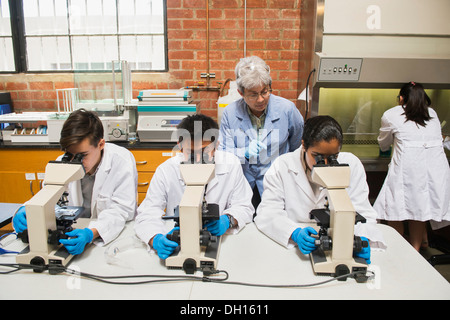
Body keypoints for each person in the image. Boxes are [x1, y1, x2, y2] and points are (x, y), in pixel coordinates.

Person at [254, 115, 386, 263]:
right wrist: (294, 233)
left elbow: (363, 212)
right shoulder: (282, 166)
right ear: (304, 145)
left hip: (340, 243)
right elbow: (268, 213)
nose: (324, 163)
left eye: (333, 156)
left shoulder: (351, 165)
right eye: (317, 156)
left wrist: (361, 239)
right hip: (294, 251)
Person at [12, 109, 138, 255]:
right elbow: (50, 200)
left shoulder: (121, 161)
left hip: (110, 238)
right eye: (69, 155)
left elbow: (121, 211)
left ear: (101, 144)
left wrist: (91, 234)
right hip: (73, 234)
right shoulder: (60, 164)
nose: (74, 162)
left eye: (82, 155)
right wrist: (28, 210)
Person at [134, 114, 254, 259]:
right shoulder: (166, 170)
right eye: (190, 153)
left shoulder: (231, 164)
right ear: (179, 146)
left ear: (216, 145)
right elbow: (148, 212)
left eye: (204, 151)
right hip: (179, 242)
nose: (198, 159)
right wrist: (155, 239)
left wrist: (227, 220)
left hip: (223, 243)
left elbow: (244, 206)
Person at [219, 56, 304, 210]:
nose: (260, 100)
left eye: (264, 92)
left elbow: (297, 147)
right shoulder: (230, 113)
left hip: (277, 183)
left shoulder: (287, 109)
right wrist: (243, 153)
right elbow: (223, 152)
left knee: (274, 223)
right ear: (240, 92)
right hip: (243, 183)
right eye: (253, 94)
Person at [373, 81, 450, 251]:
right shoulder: (432, 113)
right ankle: (415, 250)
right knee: (419, 211)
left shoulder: (391, 114)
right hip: (434, 170)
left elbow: (383, 144)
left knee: (394, 210)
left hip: (408, 169)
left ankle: (397, 249)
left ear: (401, 98)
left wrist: (388, 146)